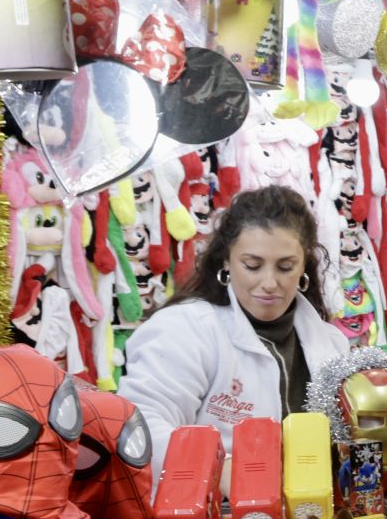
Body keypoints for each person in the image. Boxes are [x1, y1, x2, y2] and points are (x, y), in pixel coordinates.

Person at [119, 185, 350, 461]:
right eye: (252, 265)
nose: (268, 283)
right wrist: (221, 474)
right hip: (212, 502)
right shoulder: (183, 329)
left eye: (285, 267)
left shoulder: (331, 343)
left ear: (304, 266)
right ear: (227, 260)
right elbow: (141, 429)